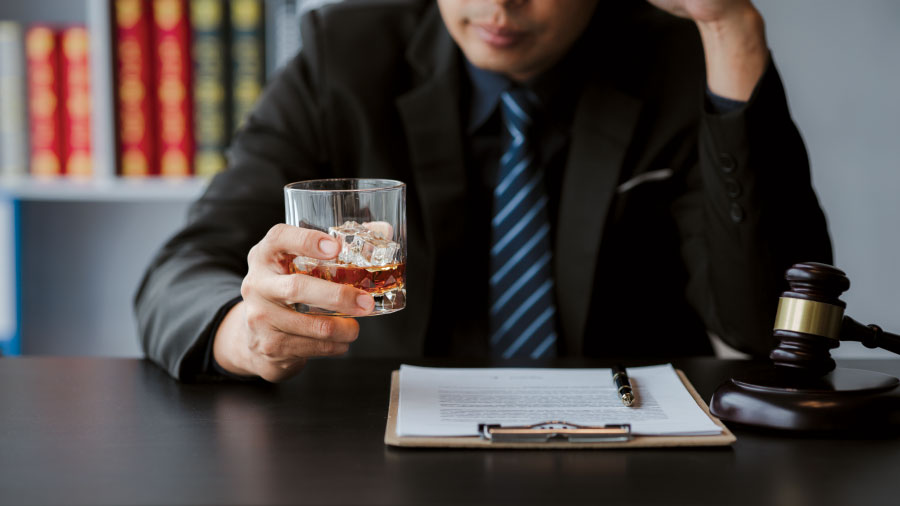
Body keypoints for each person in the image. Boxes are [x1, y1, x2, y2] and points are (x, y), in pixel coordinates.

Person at [135, 0, 832, 382]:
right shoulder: (339, 56)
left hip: (628, 453)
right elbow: (180, 272)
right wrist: (242, 332)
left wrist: (731, 29)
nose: (500, 4)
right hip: (374, 452)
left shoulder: (681, 55)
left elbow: (767, 328)